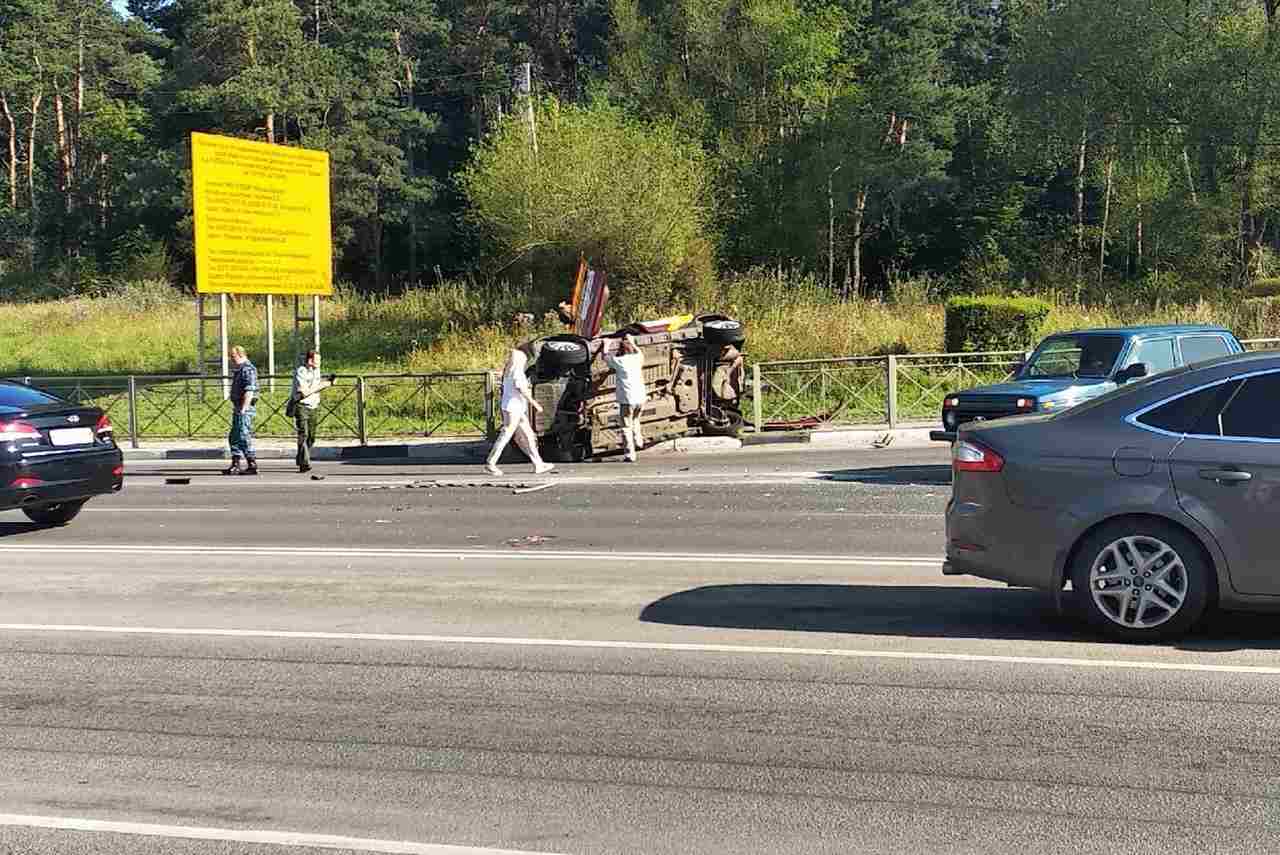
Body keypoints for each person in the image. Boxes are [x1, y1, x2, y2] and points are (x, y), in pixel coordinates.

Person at [486, 343, 555, 477]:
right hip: (514, 408)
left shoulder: (508, 370)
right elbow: (522, 389)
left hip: (513, 407)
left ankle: (538, 463)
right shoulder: (517, 371)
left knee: (527, 435)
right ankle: (491, 462)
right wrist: (535, 404)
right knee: (507, 435)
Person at [604, 334, 647, 462]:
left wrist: (606, 344)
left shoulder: (620, 362)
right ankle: (638, 440)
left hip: (627, 400)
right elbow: (639, 351)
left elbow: (605, 357)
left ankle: (630, 454)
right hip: (641, 397)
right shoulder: (637, 358)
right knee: (636, 420)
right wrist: (633, 342)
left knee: (626, 426)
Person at [290, 349, 332, 473]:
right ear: (310, 360)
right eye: (317, 360)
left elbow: (314, 388)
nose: (320, 363)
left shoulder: (317, 371)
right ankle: (304, 463)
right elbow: (304, 392)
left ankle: (301, 456)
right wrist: (323, 385)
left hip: (314, 405)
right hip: (301, 405)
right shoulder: (301, 372)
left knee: (312, 436)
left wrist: (328, 382)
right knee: (304, 433)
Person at [224, 345, 259, 475]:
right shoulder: (240, 369)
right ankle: (236, 463)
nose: (231, 359)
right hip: (238, 407)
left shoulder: (248, 369)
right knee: (234, 436)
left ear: (240, 355)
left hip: (244, 408)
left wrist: (244, 408)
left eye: (233, 356)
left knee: (243, 435)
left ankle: (252, 463)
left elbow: (249, 390)